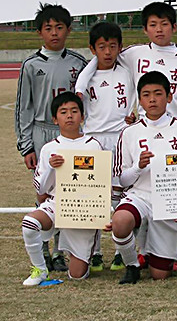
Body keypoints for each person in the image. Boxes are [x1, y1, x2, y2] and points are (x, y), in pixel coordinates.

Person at [15, 3, 87, 272]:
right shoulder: (32, 65)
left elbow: (85, 103)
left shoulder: (78, 63)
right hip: (41, 131)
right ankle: (43, 247)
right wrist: (26, 146)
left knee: (67, 191)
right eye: (48, 28)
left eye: (59, 27)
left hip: (69, 133)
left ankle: (60, 251)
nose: (54, 33)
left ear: (68, 30)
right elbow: (24, 107)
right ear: (39, 33)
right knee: (44, 190)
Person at [110, 71, 177, 284]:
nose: (152, 99)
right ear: (139, 99)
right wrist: (138, 167)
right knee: (121, 221)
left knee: (159, 276)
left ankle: (154, 254)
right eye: (146, 94)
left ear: (169, 97)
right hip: (139, 196)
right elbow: (123, 181)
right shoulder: (130, 133)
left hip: (168, 202)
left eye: (158, 93)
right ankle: (131, 265)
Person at [20, 92, 103, 285]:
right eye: (63, 112)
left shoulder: (94, 146)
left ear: (82, 117)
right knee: (29, 223)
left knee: (77, 276)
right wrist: (51, 167)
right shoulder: (49, 148)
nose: (69, 116)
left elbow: (103, 182)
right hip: (58, 203)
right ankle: (40, 270)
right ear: (55, 119)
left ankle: (83, 258)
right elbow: (40, 188)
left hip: (85, 209)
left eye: (74, 111)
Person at [75, 2, 177, 121]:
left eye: (164, 24)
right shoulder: (134, 54)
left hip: (176, 125)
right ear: (145, 29)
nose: (159, 29)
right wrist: (80, 87)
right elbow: (102, 56)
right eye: (153, 25)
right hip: (145, 125)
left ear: (174, 27)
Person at [79, 21, 135, 272]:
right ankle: (96, 252)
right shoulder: (86, 78)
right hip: (94, 140)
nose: (108, 52)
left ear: (120, 47)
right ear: (93, 49)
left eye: (113, 46)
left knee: (122, 195)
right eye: (102, 47)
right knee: (95, 196)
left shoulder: (127, 72)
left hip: (121, 137)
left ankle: (123, 251)